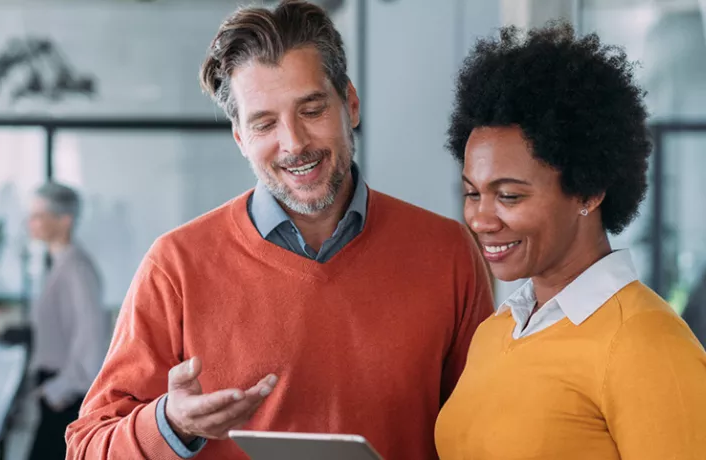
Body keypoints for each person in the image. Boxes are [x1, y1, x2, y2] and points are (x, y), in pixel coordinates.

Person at [66, 2, 494, 459]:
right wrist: (172, 423)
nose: (294, 143)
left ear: (349, 103)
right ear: (239, 137)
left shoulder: (446, 253)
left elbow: (486, 432)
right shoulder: (176, 266)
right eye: (265, 123)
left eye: (311, 110)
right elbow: (87, 447)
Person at [435, 22, 706, 459]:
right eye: (472, 193)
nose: (481, 219)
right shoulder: (494, 332)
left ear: (588, 190)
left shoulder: (645, 342)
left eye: (508, 195)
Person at [25, 183, 109, 460]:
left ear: (64, 220)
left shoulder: (77, 269)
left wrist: (62, 387)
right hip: (55, 389)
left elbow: (91, 336)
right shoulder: (58, 264)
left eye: (39, 215)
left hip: (65, 393)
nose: (31, 223)